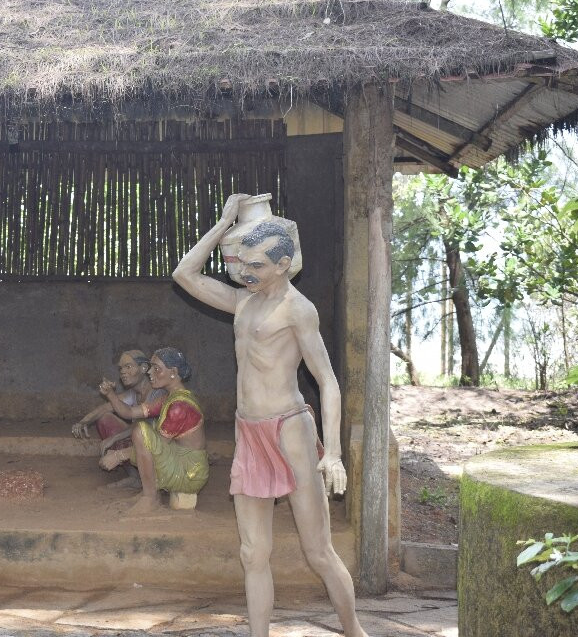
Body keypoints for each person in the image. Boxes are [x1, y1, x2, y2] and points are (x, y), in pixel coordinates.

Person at [172, 194, 367, 637]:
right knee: (251, 553)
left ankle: (354, 631)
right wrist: (223, 223)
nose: (245, 273)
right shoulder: (243, 302)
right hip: (250, 432)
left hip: (290, 430)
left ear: (283, 264)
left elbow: (328, 380)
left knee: (318, 551)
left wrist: (333, 453)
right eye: (241, 264)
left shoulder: (298, 310)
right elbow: (185, 274)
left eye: (256, 266)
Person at [97, 347, 209, 515]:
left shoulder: (179, 406)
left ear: (173, 372)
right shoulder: (168, 398)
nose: (150, 373)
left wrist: (118, 456)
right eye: (151, 368)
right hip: (177, 459)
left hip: (189, 473)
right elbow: (130, 412)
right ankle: (147, 494)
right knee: (143, 429)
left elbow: (155, 448)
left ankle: (150, 498)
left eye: (157, 369)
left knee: (142, 430)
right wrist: (111, 395)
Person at [71, 349, 166, 488]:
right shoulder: (133, 393)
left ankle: (149, 482)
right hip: (141, 442)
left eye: (128, 366)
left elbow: (143, 428)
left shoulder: (157, 393)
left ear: (144, 368)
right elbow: (107, 408)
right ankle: (135, 478)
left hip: (159, 448)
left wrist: (114, 440)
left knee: (131, 436)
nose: (122, 372)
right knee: (105, 419)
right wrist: (84, 421)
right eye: (121, 368)